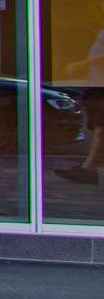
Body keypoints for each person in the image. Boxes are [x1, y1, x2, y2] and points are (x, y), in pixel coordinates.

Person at [55, 12, 104, 185]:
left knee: (101, 127)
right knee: (99, 126)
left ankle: (89, 169)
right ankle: (89, 168)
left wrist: (81, 65)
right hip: (98, 85)